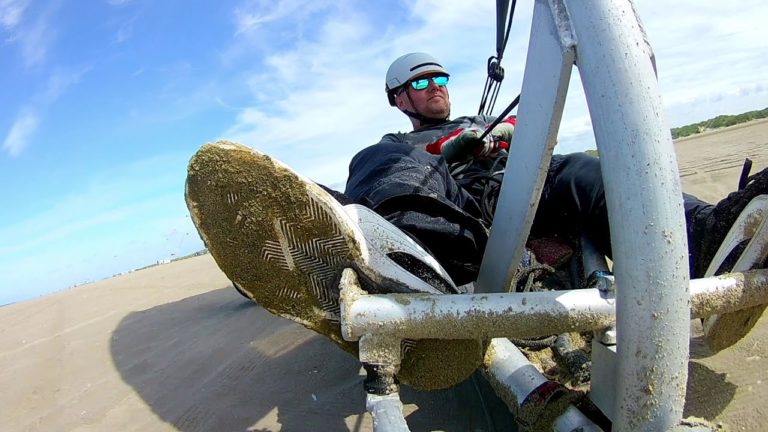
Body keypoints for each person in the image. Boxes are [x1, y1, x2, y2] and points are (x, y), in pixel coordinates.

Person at [184, 52, 768, 391]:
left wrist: (512, 139)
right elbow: (403, 166)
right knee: (376, 164)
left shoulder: (484, 119)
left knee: (588, 168)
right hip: (453, 212)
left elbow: (540, 152)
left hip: (527, 194)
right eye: (421, 83)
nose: (435, 88)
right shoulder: (398, 143)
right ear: (400, 100)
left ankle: (709, 235)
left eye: (440, 79)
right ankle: (406, 263)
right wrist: (448, 151)